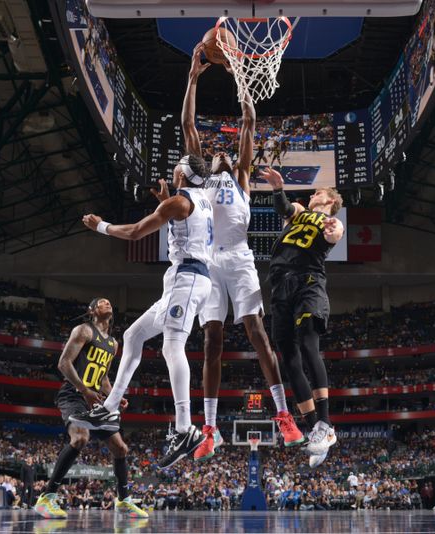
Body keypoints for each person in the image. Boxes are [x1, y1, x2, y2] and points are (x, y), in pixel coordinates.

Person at [177, 42, 303, 461]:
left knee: (256, 333)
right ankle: (209, 428)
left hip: (241, 256)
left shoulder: (243, 177)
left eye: (224, 153)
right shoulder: (200, 178)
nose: (220, 153)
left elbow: (249, 121)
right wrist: (193, 79)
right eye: (214, 153)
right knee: (212, 340)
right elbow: (188, 125)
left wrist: (242, 78)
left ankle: (284, 416)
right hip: (208, 259)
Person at [70, 155, 214, 469]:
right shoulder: (199, 199)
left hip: (187, 279)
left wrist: (101, 227)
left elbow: (136, 232)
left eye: (177, 165)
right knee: (133, 335)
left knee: (172, 345)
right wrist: (166, 201)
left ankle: (185, 427)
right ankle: (109, 407)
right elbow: (184, 218)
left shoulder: (180, 202)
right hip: (188, 279)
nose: (173, 167)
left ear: (181, 173)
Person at [260, 166, 344, 468]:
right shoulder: (297, 212)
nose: (313, 194)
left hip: (308, 281)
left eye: (318, 193)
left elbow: (335, 233)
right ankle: (316, 430)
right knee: (289, 359)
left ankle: (325, 423)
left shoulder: (330, 219)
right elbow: (284, 206)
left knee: (309, 345)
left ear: (330, 201)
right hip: (280, 285)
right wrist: (278, 189)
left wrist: (333, 232)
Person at [34, 298, 147, 519]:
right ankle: (46, 498)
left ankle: (123, 501)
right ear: (92, 310)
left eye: (109, 302)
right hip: (73, 394)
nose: (108, 304)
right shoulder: (84, 330)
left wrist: (115, 395)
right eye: (102, 302)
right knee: (80, 438)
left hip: (94, 400)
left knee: (120, 448)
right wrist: (84, 390)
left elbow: (103, 375)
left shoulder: (113, 344)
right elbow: (63, 363)